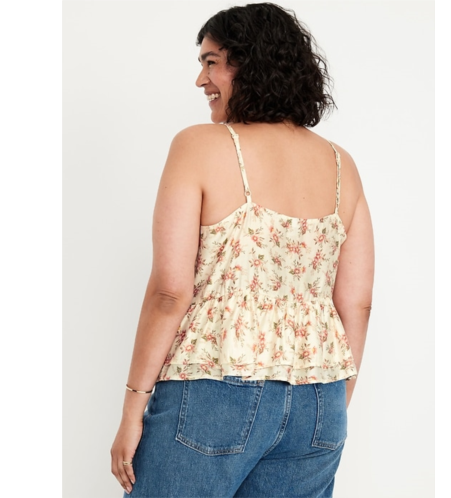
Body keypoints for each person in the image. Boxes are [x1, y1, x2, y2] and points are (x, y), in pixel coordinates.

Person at [110, 3, 374, 497]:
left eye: (211, 62)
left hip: (215, 388)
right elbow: (356, 303)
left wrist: (132, 408)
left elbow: (170, 291)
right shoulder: (341, 164)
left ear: (250, 64)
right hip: (320, 401)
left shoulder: (200, 146)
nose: (200, 80)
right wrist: (336, 399)